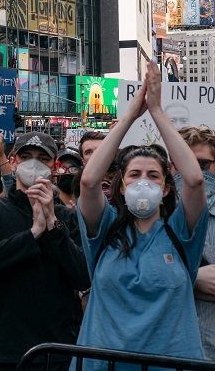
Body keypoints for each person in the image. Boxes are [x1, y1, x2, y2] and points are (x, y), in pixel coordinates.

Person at [76, 63, 208, 366]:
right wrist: (131, 115)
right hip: (102, 363)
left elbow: (194, 179)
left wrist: (158, 111)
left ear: (165, 188)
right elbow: (88, 181)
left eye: (153, 175)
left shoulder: (181, 232)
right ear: (121, 186)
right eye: (134, 174)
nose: (143, 181)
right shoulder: (105, 229)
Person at [0, 131, 89, 371]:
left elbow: (82, 275)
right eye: (26, 156)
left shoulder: (66, 218)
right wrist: (32, 234)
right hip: (5, 350)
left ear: (54, 166)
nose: (34, 163)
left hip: (57, 348)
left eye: (42, 158)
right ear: (13, 161)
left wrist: (52, 226)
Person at [180, 126, 215, 359]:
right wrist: (191, 278)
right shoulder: (153, 214)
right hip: (171, 347)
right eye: (183, 162)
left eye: (202, 164)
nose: (193, 172)